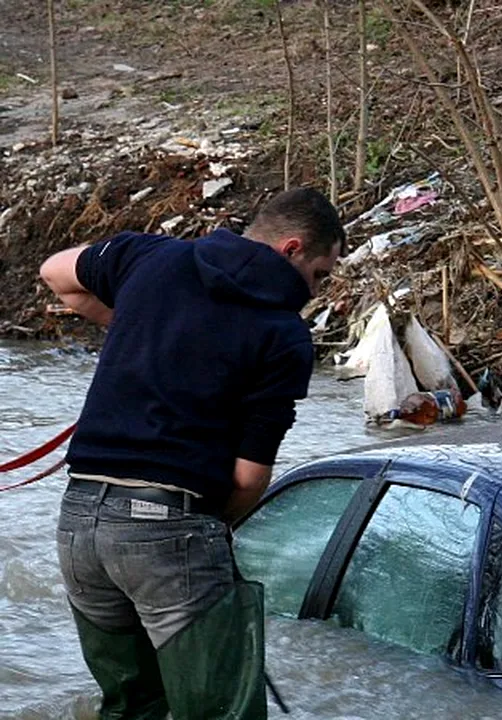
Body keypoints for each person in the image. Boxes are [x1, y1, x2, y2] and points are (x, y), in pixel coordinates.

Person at [39, 187, 344, 720]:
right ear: (292, 248)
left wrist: (138, 323)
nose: (315, 291)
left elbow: (56, 274)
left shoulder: (149, 256)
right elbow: (249, 479)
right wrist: (211, 526)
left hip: (77, 523)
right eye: (319, 274)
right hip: (169, 526)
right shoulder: (283, 334)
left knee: (132, 708)